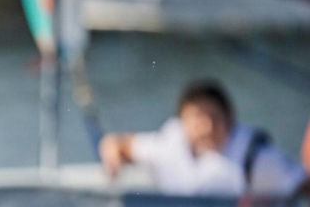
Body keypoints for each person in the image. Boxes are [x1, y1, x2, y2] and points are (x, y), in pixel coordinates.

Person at [98, 79, 307, 197]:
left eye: (214, 118)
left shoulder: (255, 158)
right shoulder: (168, 144)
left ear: (230, 118)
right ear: (182, 120)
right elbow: (115, 144)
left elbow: (302, 185)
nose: (206, 127)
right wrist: (114, 165)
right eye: (197, 118)